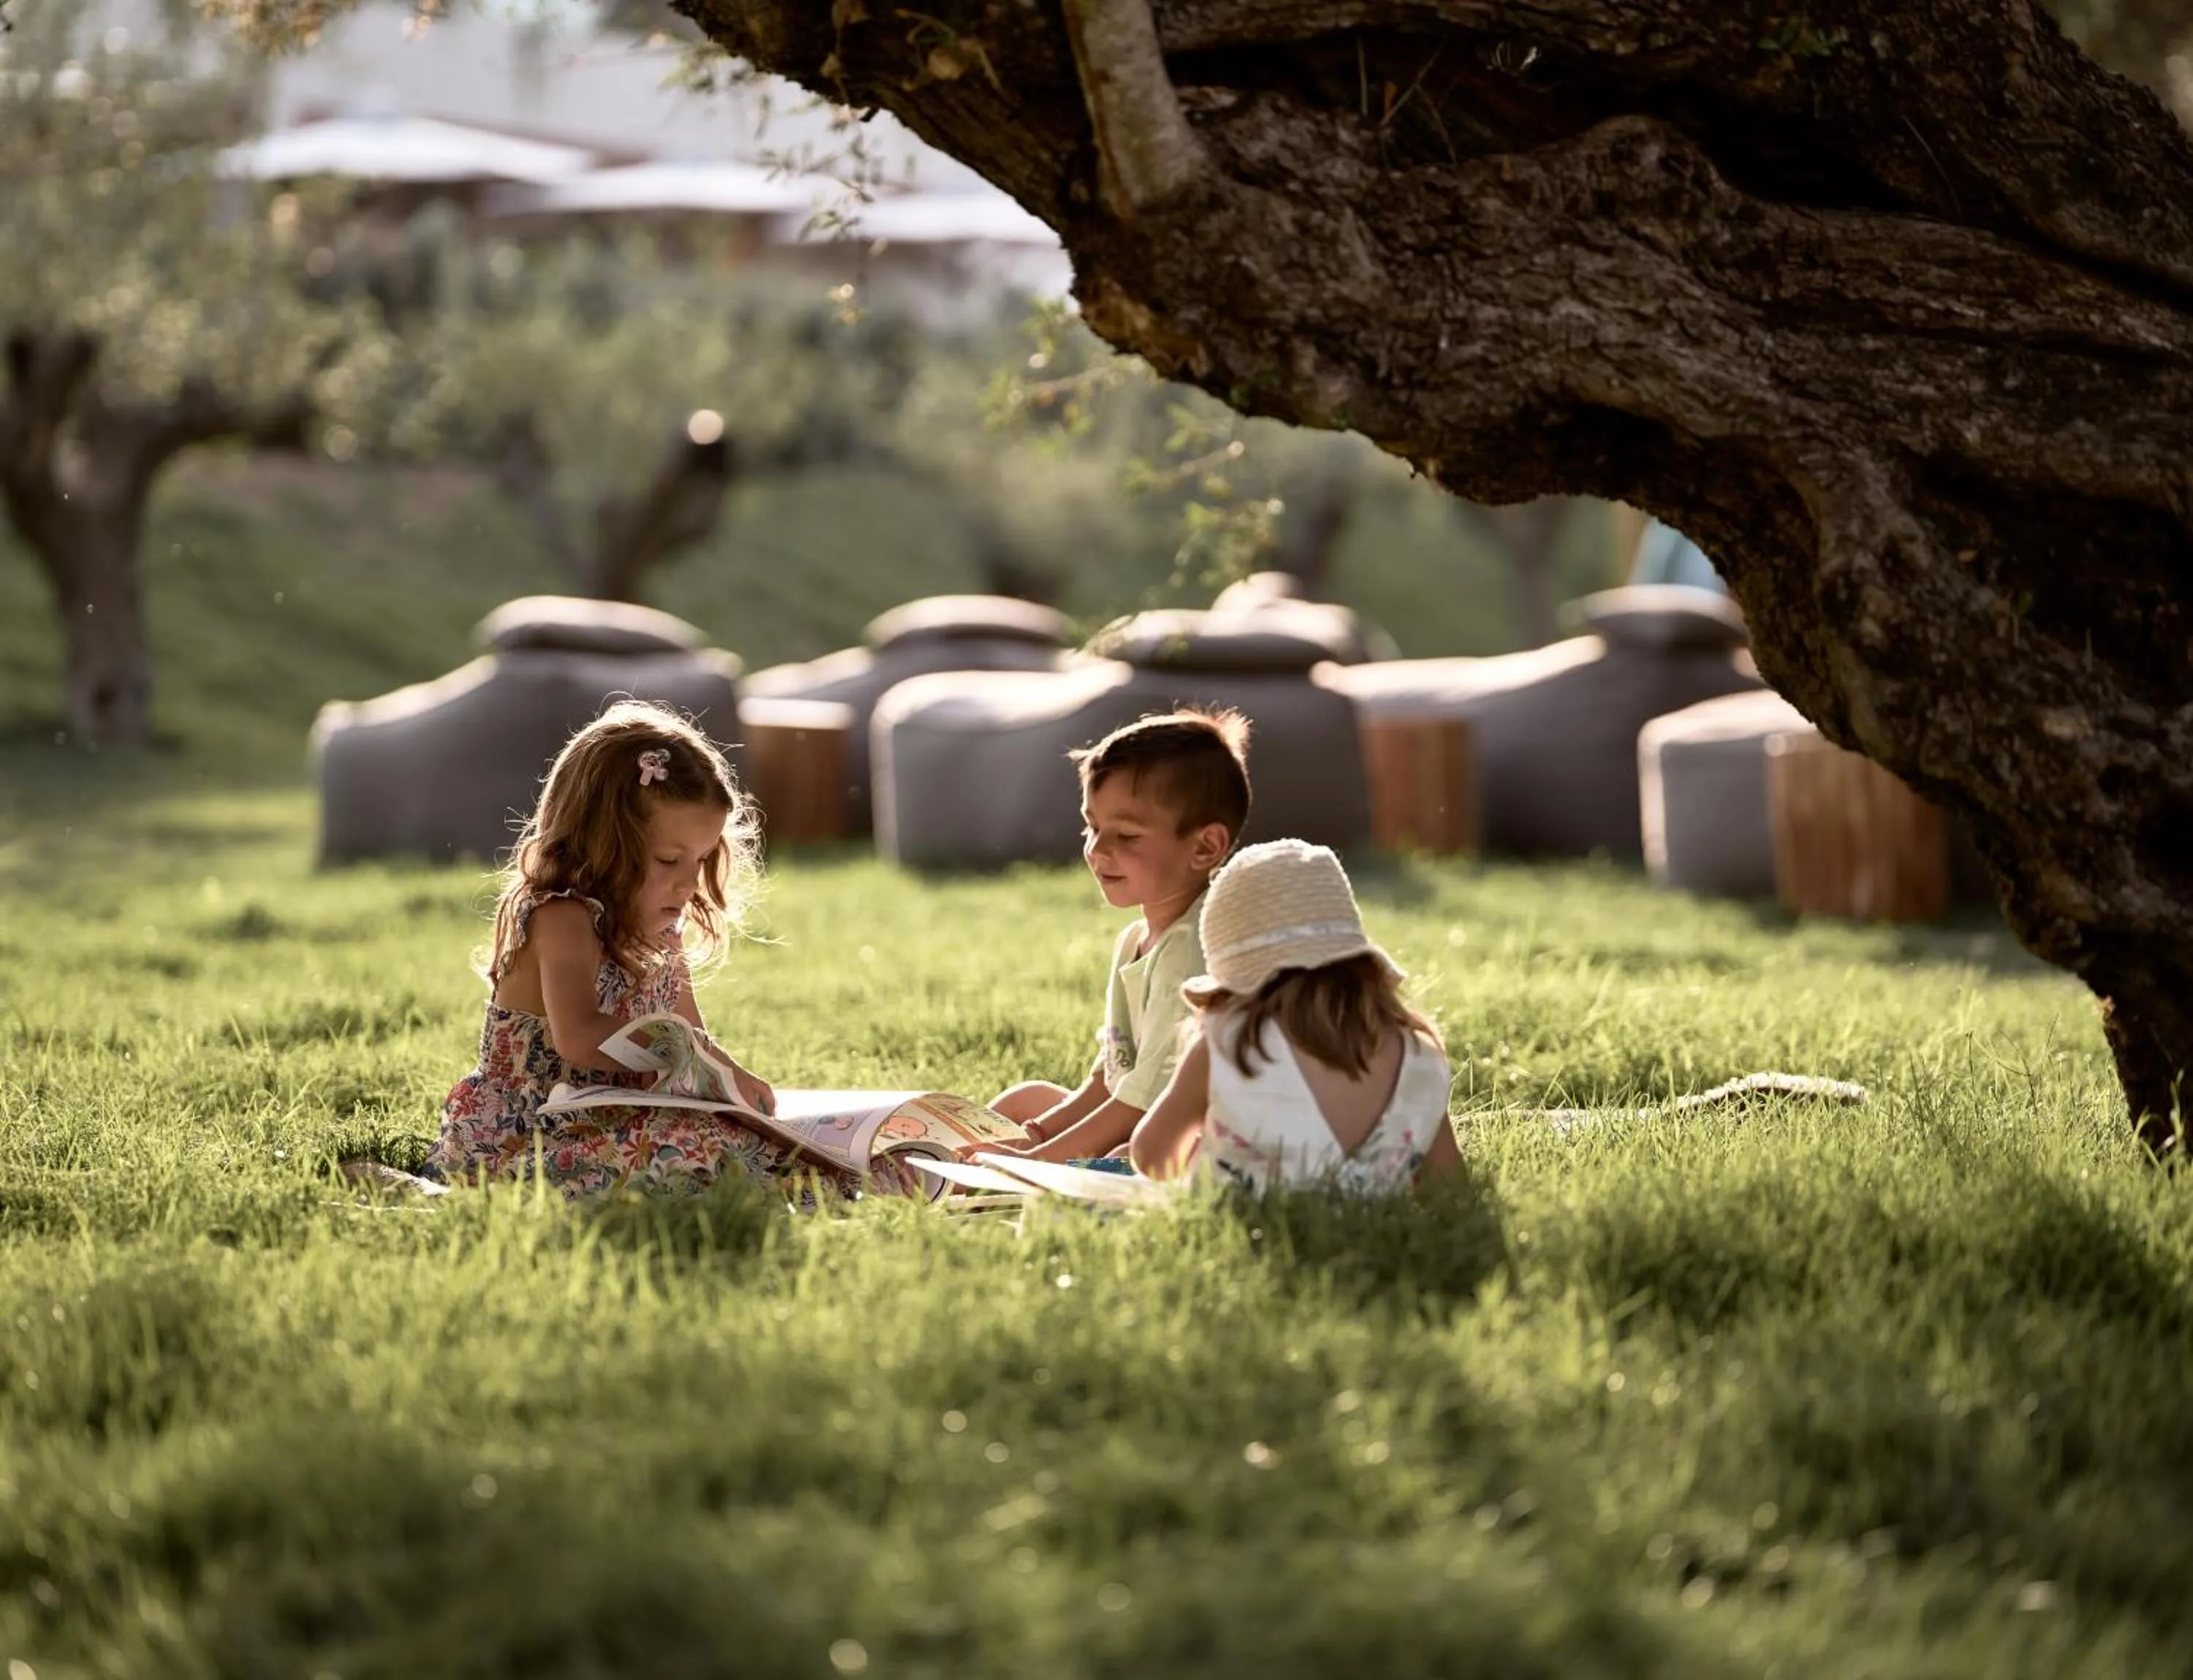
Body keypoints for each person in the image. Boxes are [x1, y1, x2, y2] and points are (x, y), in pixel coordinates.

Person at [427, 700, 828, 1197]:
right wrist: (677, 1058)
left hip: (609, 1119)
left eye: (700, 861)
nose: (687, 884)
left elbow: (690, 1031)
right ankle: (435, 1189)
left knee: (765, 1143)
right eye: (667, 860)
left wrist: (728, 1076)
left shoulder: (662, 930)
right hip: (525, 1131)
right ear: (602, 841)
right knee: (695, 1151)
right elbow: (578, 1036)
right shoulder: (562, 920)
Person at [985, 708, 1252, 1165]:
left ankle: (984, 1178)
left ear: (1206, 846)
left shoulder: (1195, 947)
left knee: (1136, 1154)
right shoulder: (1135, 940)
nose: (1097, 849)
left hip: (1208, 1134)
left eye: (1127, 835)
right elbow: (1111, 1079)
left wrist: (1031, 1161)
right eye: (1092, 827)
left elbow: (1143, 1104)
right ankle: (947, 1164)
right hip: (1139, 1113)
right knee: (1026, 1101)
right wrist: (1033, 1135)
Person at [1127, 839, 1458, 1192]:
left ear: (1237, 979)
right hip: (1375, 1235)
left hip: (1247, 1231)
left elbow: (1151, 1156)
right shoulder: (1420, 1058)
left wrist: (1201, 1146)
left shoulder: (1229, 1043)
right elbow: (1449, 1185)